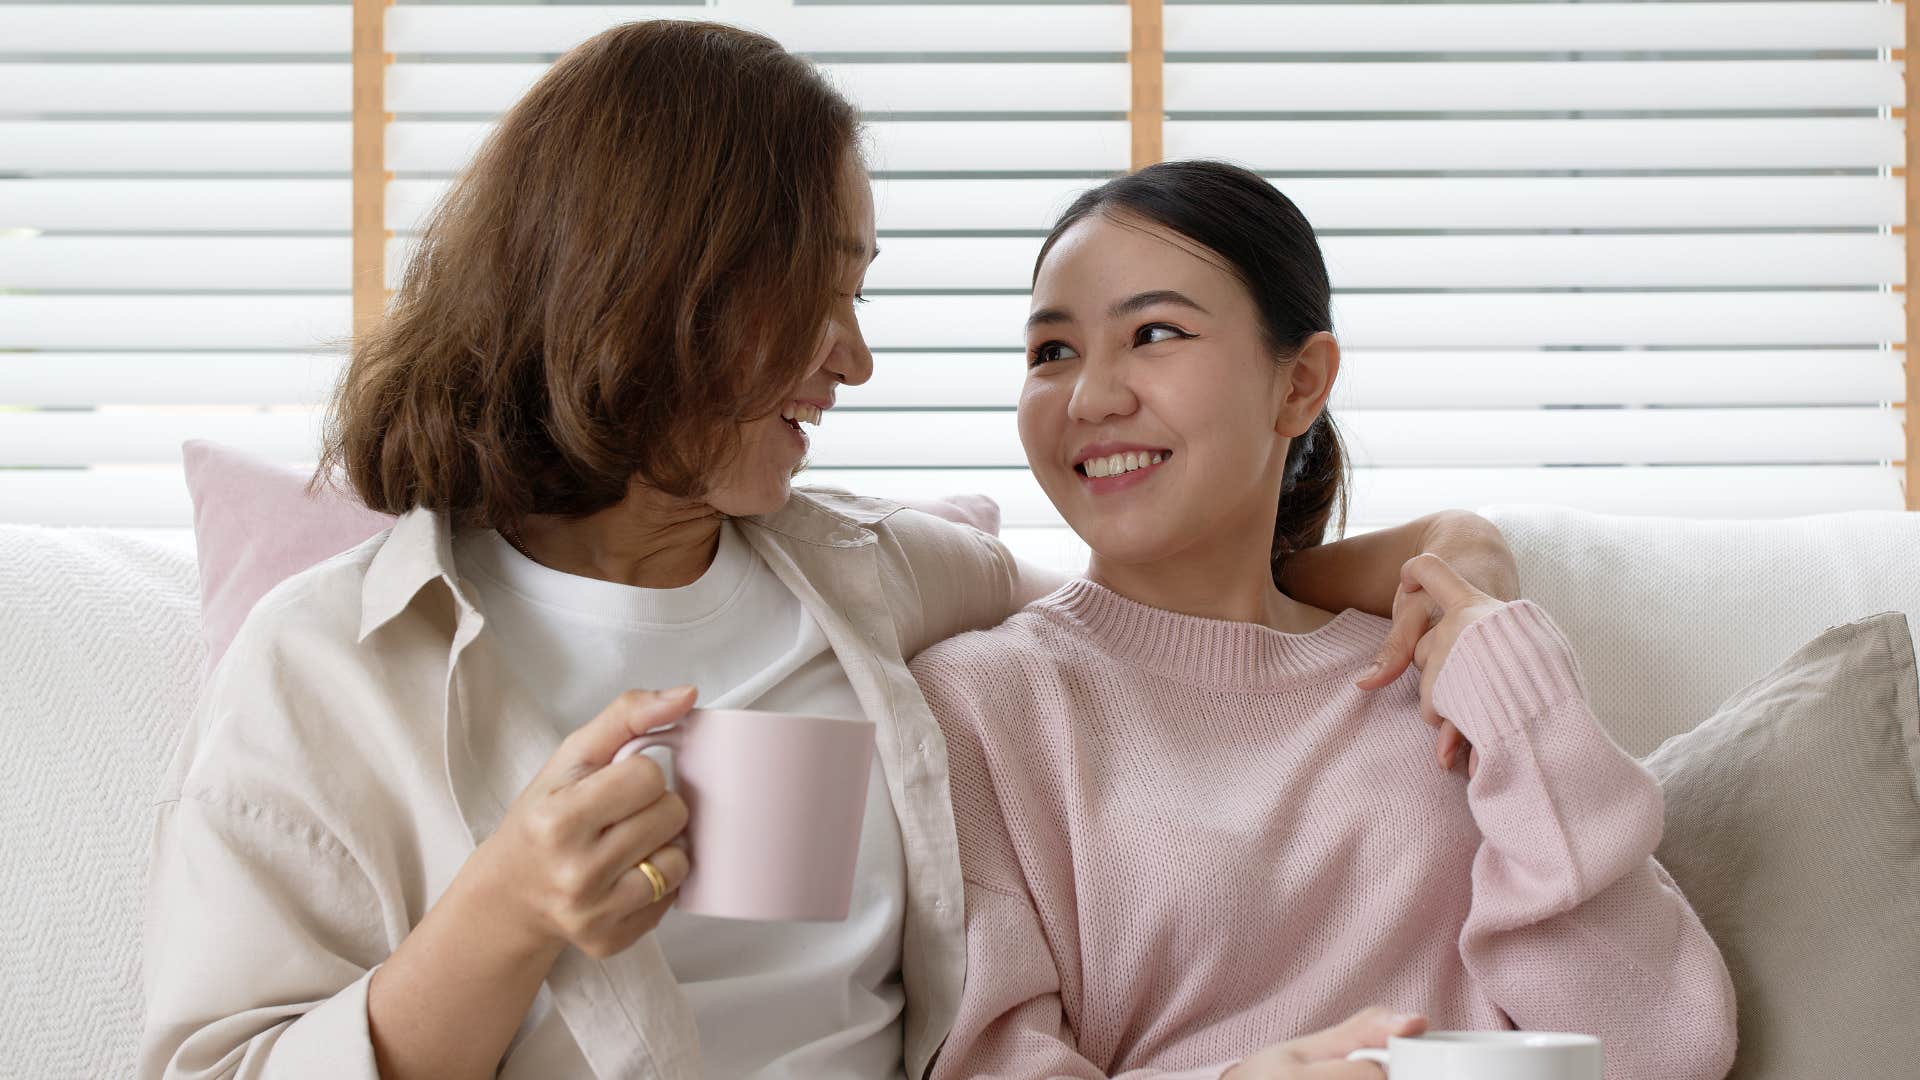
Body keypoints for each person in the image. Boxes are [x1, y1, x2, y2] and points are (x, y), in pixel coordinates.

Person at [139, 24, 1523, 1080]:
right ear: (661, 291)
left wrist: (1415, 557)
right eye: (821, 296)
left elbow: (1157, 609)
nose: (853, 362)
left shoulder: (875, 582)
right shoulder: (329, 662)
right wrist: (499, 921)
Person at [910, 160, 1738, 1080]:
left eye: (1152, 334)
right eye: (1050, 353)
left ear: (1301, 383)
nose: (1090, 398)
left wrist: (1511, 685)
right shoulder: (979, 704)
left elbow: (1663, 1050)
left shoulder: (1455, 680)